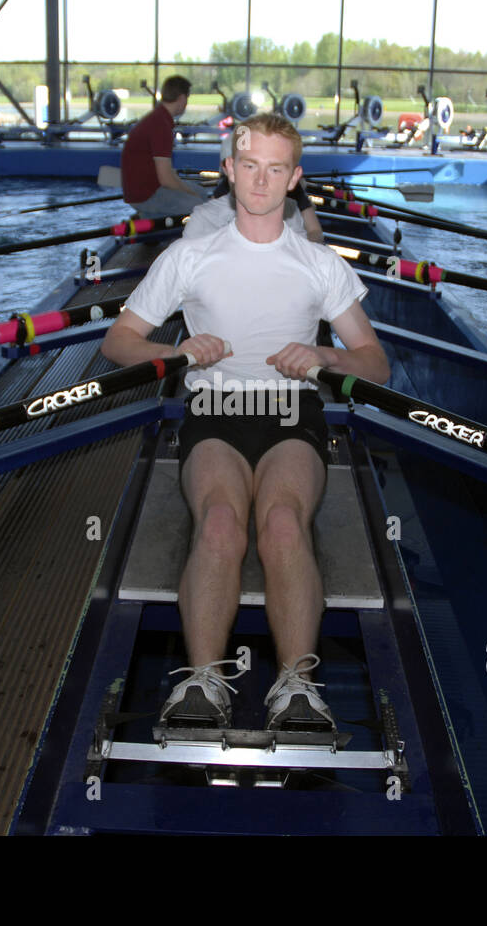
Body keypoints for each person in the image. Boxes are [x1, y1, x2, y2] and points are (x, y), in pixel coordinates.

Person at [101, 113, 390, 732]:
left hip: (292, 412)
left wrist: (324, 355)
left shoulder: (321, 265)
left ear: (294, 179)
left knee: (283, 525)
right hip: (214, 411)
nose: (261, 180)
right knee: (222, 525)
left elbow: (375, 365)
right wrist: (176, 354)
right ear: (230, 171)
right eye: (249, 165)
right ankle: (201, 684)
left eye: (276, 168)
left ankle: (297, 687)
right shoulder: (187, 256)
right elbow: (119, 343)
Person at [184, 127, 322, 242]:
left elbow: (314, 232)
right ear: (228, 168)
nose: (260, 180)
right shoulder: (205, 216)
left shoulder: (292, 208)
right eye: (248, 166)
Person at [120, 75, 209, 218]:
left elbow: (165, 173)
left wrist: (189, 190)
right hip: (146, 196)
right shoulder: (161, 126)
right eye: (187, 98)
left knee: (202, 193)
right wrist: (190, 193)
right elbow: (166, 179)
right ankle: (148, 215)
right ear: (181, 98)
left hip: (140, 190)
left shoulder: (158, 117)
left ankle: (150, 215)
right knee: (200, 207)